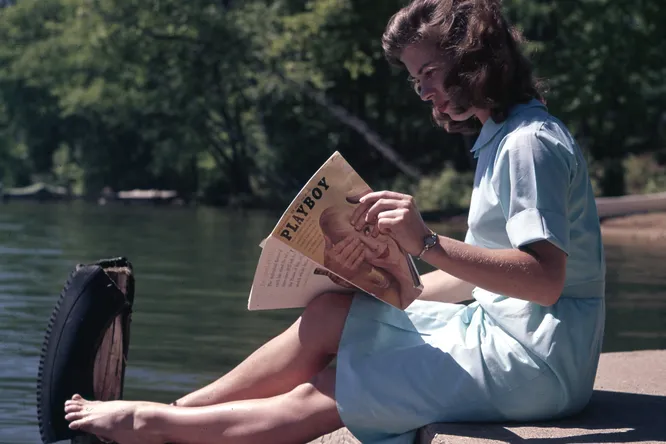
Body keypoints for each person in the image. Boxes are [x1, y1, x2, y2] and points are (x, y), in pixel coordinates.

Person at [62, 0, 606, 443]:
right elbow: (485, 275)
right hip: (506, 334)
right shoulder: (501, 138)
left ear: (473, 58)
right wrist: (389, 285)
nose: (423, 91)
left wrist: (426, 242)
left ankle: (154, 427)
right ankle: (180, 409)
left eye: (429, 72)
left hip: (537, 364)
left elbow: (544, 280)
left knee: (338, 385)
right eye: (415, 80)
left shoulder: (528, 145)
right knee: (329, 313)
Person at [317, 197, 421, 308]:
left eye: (367, 230)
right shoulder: (384, 292)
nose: (373, 246)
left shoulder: (420, 245)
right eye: (358, 245)